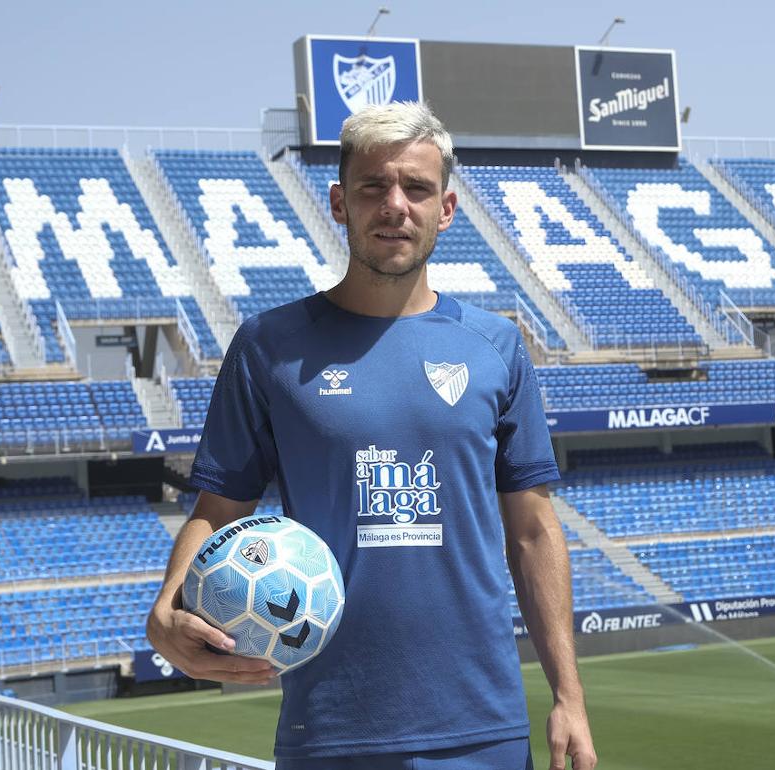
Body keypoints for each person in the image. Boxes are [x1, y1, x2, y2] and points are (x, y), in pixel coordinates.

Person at [146, 101, 597, 770]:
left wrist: (569, 695)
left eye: (416, 188)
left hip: (484, 729)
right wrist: (164, 612)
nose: (395, 205)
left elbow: (532, 529)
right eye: (373, 187)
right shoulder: (269, 348)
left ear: (444, 209)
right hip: (331, 729)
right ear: (338, 202)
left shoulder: (496, 345)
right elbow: (217, 511)